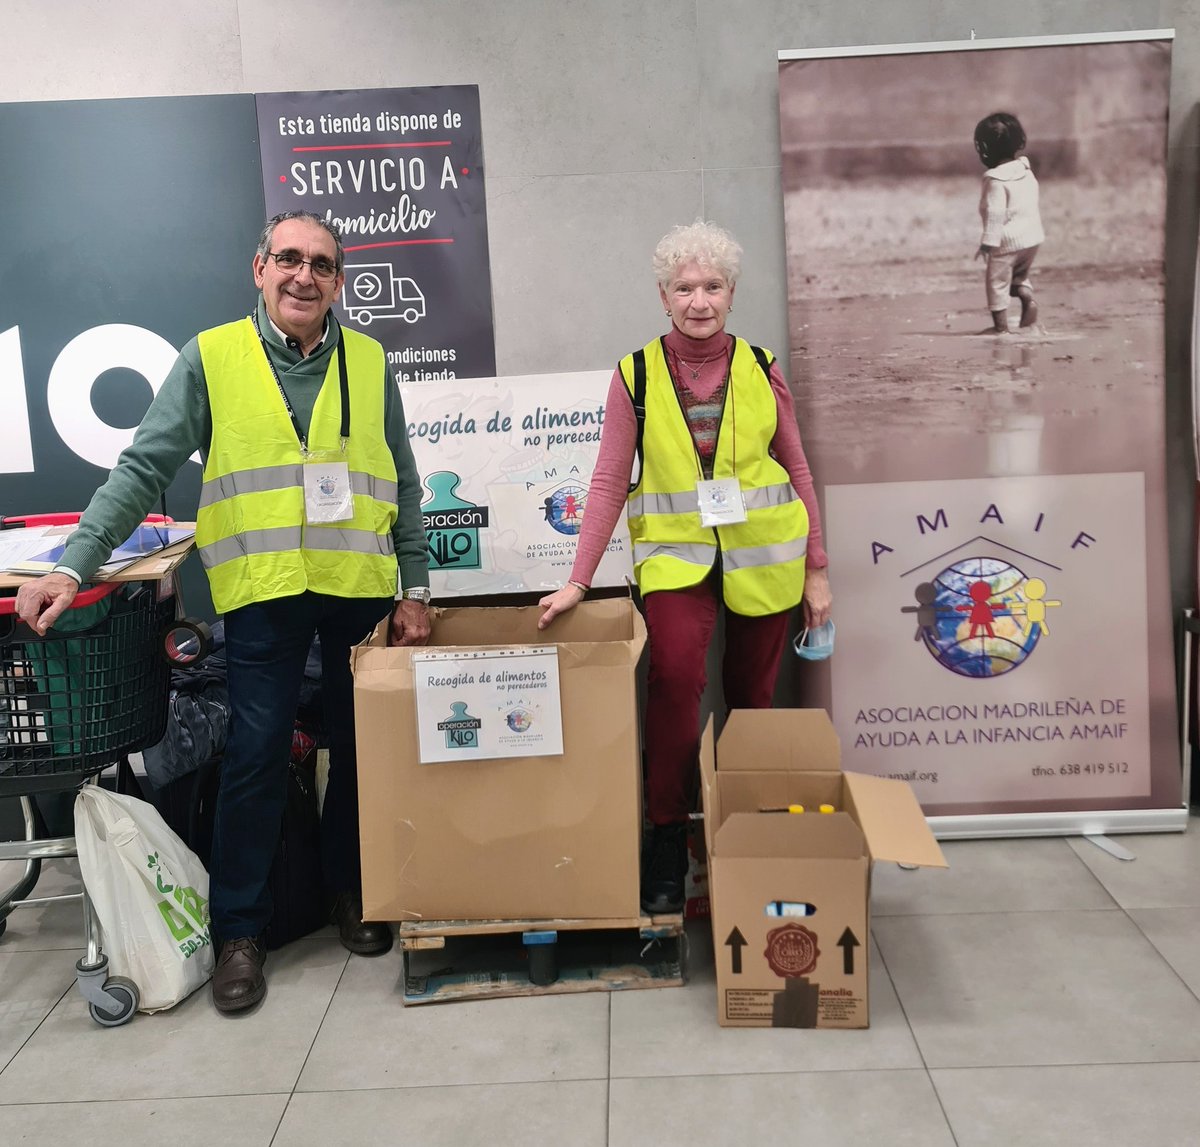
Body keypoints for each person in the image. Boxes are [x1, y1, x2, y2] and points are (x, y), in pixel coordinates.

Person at [15, 210, 432, 1014]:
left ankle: (352, 890)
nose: (303, 276)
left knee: (359, 753)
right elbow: (143, 467)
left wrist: (414, 589)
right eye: (289, 259)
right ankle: (239, 929)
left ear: (339, 280)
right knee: (254, 755)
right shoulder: (211, 357)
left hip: (358, 591)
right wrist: (74, 565)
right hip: (264, 592)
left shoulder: (372, 361)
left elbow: (406, 482)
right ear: (259, 268)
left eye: (320, 264)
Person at [537, 220, 832, 915]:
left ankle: (746, 830)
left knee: (752, 699)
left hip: (766, 553)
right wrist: (579, 578)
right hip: (675, 558)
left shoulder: (761, 367)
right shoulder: (635, 373)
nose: (699, 299)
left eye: (712, 285)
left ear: (732, 292)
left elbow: (795, 464)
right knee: (674, 682)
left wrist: (818, 567)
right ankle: (666, 834)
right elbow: (609, 479)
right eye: (684, 286)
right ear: (664, 295)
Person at [974, 111, 1045, 334]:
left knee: (997, 283)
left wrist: (988, 243)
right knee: (1018, 276)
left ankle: (1000, 328)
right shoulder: (1026, 170)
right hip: (1031, 237)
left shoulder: (995, 180)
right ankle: (1027, 298)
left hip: (1006, 242)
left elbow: (995, 214)